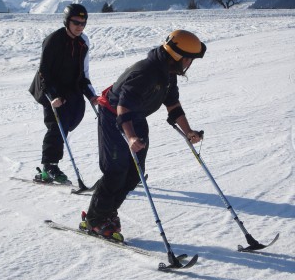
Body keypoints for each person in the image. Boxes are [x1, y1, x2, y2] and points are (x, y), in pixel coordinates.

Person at [79, 29, 206, 240]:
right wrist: (130, 137)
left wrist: (189, 132)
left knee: (133, 173)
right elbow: (122, 107)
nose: (190, 63)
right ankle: (94, 221)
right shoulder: (145, 72)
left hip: (136, 118)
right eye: (189, 59)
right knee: (116, 170)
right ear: (178, 56)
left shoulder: (168, 72)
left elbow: (173, 105)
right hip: (114, 117)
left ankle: (107, 211)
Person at [29, 3, 98, 183]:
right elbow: (44, 72)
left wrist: (91, 95)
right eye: (76, 22)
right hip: (49, 87)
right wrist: (52, 96)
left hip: (70, 86)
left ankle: (50, 164)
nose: (79, 26)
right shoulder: (53, 40)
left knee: (71, 119)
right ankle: (49, 167)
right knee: (56, 125)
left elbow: (83, 72)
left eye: (83, 23)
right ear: (67, 21)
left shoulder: (83, 42)